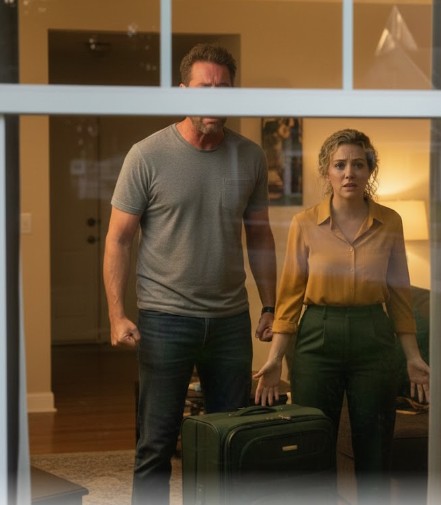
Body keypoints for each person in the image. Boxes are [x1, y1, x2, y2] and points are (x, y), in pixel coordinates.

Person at [103, 43, 277, 505]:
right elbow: (118, 239)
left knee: (230, 441)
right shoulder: (147, 155)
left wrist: (270, 304)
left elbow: (260, 236)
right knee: (156, 444)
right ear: (183, 91)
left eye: (224, 89)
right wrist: (117, 315)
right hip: (165, 320)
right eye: (205, 88)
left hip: (230, 321)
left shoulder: (251, 157)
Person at [254, 128, 430, 503]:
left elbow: (400, 296)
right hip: (317, 335)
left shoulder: (391, 222)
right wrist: (275, 358)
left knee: (375, 443)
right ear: (326, 172)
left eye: (358, 164)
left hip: (374, 335)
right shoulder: (304, 223)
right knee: (313, 441)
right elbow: (290, 298)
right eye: (340, 165)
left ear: (370, 171)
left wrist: (413, 358)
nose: (349, 172)